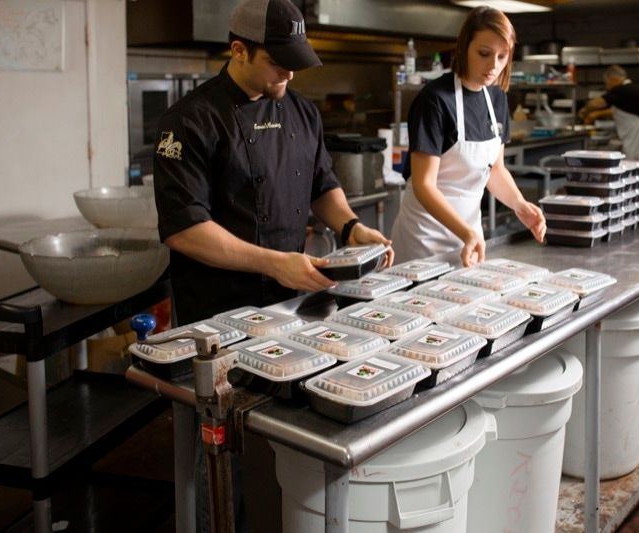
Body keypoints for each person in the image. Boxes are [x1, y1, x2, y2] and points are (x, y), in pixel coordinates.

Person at [152, 0, 392, 530]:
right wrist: (276, 263)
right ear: (238, 50)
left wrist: (352, 228)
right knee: (217, 449)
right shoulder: (190, 121)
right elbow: (185, 229)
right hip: (217, 318)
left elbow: (322, 185)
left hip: (293, 308)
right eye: (278, 61)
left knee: (284, 439)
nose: (290, 72)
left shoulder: (302, 111)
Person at [390, 7, 545, 267]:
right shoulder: (435, 100)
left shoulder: (496, 99)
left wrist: (519, 205)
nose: (493, 66)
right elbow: (424, 185)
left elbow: (495, 170)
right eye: (484, 54)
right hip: (424, 240)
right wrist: (464, 232)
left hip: (470, 240)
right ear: (464, 48)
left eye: (502, 56)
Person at [578, 64, 639, 159]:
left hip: (636, 134)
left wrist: (584, 111)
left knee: (634, 162)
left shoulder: (622, 90)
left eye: (607, 83)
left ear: (613, 79)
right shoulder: (630, 88)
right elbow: (618, 111)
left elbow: (596, 103)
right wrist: (596, 114)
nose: (607, 87)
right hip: (638, 133)